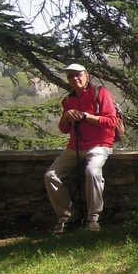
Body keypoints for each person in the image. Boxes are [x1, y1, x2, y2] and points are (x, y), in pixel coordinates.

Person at [44, 63, 118, 233]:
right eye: (70, 76)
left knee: (92, 172)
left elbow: (111, 122)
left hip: (100, 145)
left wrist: (86, 116)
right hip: (75, 146)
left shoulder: (101, 93)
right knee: (51, 175)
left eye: (78, 74)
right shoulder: (68, 100)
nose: (74, 78)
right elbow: (63, 129)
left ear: (86, 75)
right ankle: (67, 217)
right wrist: (67, 116)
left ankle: (93, 219)